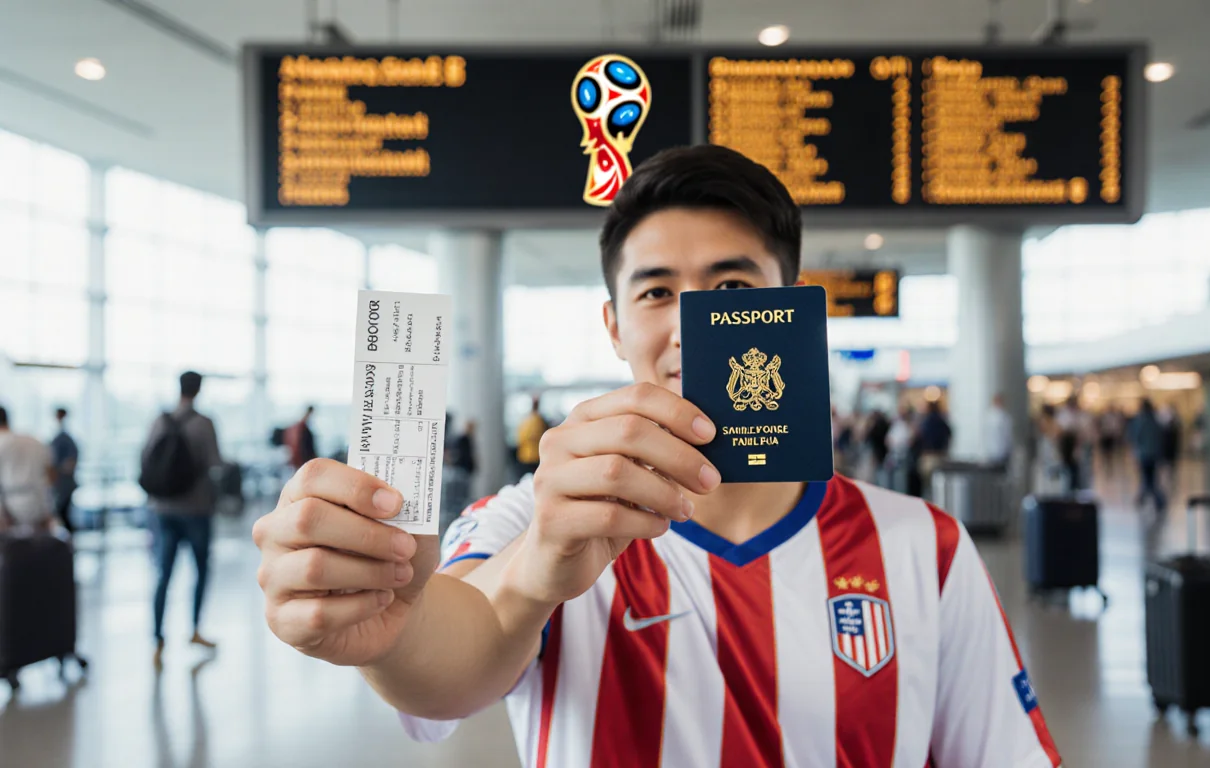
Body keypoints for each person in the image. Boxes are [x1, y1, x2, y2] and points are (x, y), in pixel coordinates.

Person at [252, 146, 1062, 767]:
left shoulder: (923, 546)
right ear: (613, 325)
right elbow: (455, 649)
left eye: (735, 291)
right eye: (656, 292)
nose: (692, 326)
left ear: (794, 305)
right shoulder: (538, 518)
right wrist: (398, 623)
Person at [143, 371, 223, 666]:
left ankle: (157, 640)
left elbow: (144, 460)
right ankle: (195, 630)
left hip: (161, 509)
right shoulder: (204, 423)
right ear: (199, 390)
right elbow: (215, 463)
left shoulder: (159, 420)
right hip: (196, 508)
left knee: (163, 573)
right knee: (201, 570)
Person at [0, 405, 58, 533]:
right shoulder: (34, 440)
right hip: (38, 500)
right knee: (39, 547)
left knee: (10, 549)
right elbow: (51, 475)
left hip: (8, 504)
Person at [1128, 399, 1167, 514]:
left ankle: (1155, 499)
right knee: (1150, 477)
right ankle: (1145, 498)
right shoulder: (1155, 420)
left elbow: (1135, 436)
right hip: (1154, 454)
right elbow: (1161, 437)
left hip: (1144, 454)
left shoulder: (1140, 420)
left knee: (1147, 478)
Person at [50, 406, 79, 532]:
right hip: (59, 483)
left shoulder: (66, 439)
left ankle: (68, 545)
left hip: (64, 483)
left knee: (63, 514)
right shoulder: (59, 437)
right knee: (61, 514)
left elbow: (71, 461)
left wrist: (58, 470)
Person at [515, 396, 547, 478]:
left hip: (526, 455)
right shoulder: (539, 420)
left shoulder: (525, 420)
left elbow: (519, 438)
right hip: (534, 456)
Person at [284, 405, 318, 470]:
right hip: (302, 460)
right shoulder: (301, 428)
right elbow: (301, 445)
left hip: (303, 460)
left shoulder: (299, 427)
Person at [985, 393, 1014, 470]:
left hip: (1002, 452)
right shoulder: (990, 417)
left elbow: (1008, 436)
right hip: (992, 452)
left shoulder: (1005, 417)